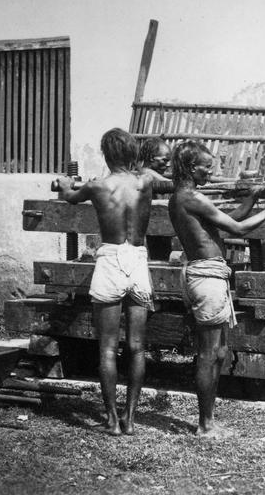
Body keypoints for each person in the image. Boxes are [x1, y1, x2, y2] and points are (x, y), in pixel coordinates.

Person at [168, 140, 265, 437]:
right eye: (207, 167)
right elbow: (239, 230)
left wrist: (255, 199)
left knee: (218, 351)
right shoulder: (191, 197)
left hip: (209, 276)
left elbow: (231, 219)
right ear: (192, 168)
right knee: (208, 353)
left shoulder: (186, 197)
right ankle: (205, 425)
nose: (211, 172)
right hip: (206, 278)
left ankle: (209, 420)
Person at [56, 128, 155, 436]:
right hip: (137, 260)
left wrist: (64, 184)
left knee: (107, 348)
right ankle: (130, 418)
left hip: (110, 259)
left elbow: (70, 197)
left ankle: (111, 419)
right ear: (133, 154)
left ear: (106, 155)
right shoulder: (146, 181)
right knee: (137, 347)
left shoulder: (98, 186)